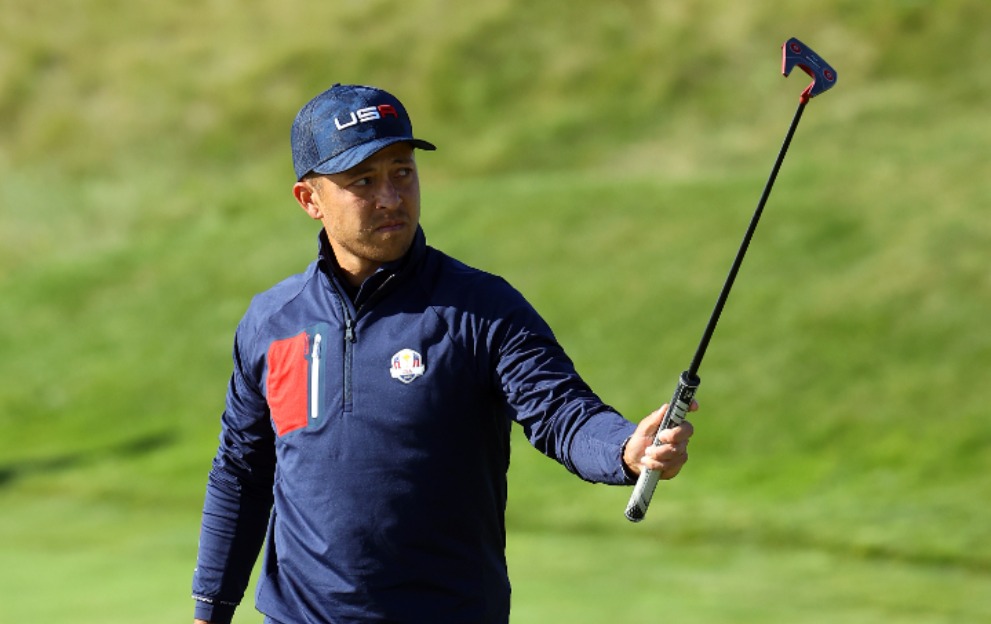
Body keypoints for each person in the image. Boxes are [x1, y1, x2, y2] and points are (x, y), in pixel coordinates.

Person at [191, 83, 695, 624]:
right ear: (309, 200)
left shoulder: (480, 307)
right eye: (363, 181)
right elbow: (242, 472)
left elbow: (560, 412)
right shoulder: (272, 323)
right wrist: (209, 611)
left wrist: (624, 449)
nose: (391, 198)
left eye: (402, 172)